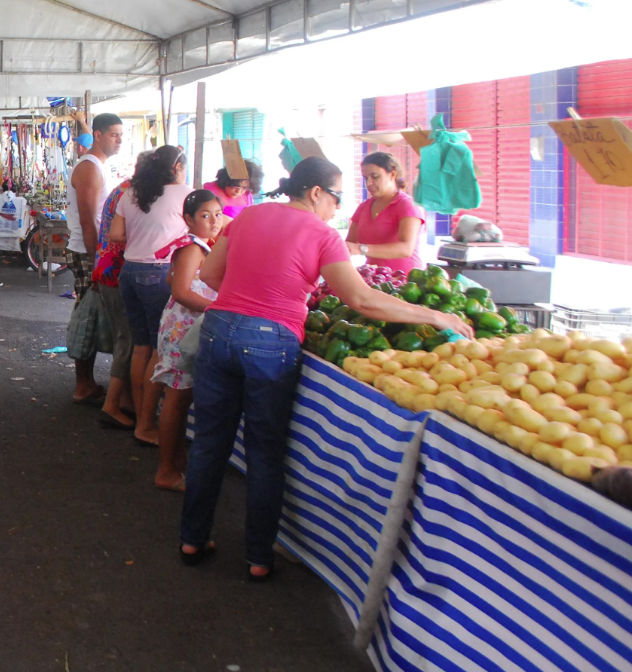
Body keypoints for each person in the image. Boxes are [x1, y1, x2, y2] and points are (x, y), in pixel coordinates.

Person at [180, 157, 474, 581]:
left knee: (210, 442)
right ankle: (258, 558)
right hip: (271, 343)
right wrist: (434, 316)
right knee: (264, 452)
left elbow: (208, 273)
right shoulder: (322, 235)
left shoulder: (248, 215)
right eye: (336, 198)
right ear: (317, 192)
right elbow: (363, 300)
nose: (337, 209)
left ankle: (192, 538)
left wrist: (250, 292)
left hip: (218, 329)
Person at [110, 146, 193, 448]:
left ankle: (139, 415)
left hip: (130, 271)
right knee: (159, 349)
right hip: (158, 274)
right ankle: (146, 424)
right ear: (177, 166)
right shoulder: (184, 193)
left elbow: (116, 235)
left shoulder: (130, 193)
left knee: (142, 347)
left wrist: (144, 233)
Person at [149, 190, 226, 492]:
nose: (214, 221)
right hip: (183, 331)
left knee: (179, 399)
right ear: (189, 220)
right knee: (177, 400)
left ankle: (175, 462)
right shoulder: (193, 248)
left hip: (184, 327)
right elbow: (180, 291)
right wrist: (218, 307)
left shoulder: (197, 246)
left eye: (218, 214)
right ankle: (166, 470)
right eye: (205, 216)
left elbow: (172, 280)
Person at [65, 113, 124, 405]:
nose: (120, 140)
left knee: (95, 313)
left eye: (121, 134)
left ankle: (86, 382)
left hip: (95, 250)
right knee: (88, 314)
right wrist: (97, 258)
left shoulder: (98, 165)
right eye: (114, 134)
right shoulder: (89, 168)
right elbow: (89, 221)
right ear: (98, 136)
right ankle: (83, 384)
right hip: (88, 249)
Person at [90, 177, 137, 431]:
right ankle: (112, 405)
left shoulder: (123, 189)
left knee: (125, 337)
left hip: (107, 268)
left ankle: (127, 401)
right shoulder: (134, 194)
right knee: (128, 339)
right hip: (116, 272)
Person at [346, 152, 426, 273]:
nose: (369, 183)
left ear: (392, 175)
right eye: (366, 178)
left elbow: (406, 249)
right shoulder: (363, 208)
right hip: (376, 278)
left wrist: (361, 249)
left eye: (375, 176)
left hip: (407, 282)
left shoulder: (406, 205)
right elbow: (349, 245)